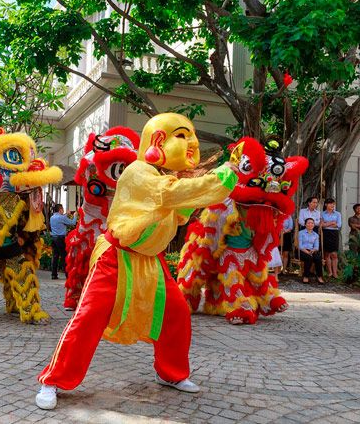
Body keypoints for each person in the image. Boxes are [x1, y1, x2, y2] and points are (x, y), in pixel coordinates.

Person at [36, 113, 238, 410]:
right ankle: (53, 379)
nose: (191, 144)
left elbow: (181, 207)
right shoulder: (139, 172)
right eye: (182, 136)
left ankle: (172, 373)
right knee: (88, 318)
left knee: (177, 313)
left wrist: (209, 180)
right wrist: (225, 173)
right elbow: (171, 195)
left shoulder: (163, 177)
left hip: (151, 261)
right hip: (115, 257)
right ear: (158, 141)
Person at [49, 204, 77, 280]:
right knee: (64, 256)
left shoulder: (52, 217)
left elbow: (62, 219)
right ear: (60, 209)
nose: (63, 210)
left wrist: (66, 214)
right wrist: (75, 215)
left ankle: (53, 274)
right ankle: (67, 274)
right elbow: (73, 223)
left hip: (54, 238)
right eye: (63, 209)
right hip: (60, 239)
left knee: (55, 256)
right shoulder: (61, 217)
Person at [320, 198, 341, 279]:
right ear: (326, 205)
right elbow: (322, 225)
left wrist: (326, 223)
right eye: (330, 203)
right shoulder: (322, 214)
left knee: (334, 254)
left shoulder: (338, 214)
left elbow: (338, 225)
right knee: (327, 254)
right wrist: (332, 222)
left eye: (333, 204)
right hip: (325, 233)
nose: (332, 205)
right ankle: (329, 272)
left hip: (334, 234)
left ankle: (335, 273)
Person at [298, 218, 323, 284]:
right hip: (302, 251)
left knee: (318, 258)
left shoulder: (316, 235)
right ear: (305, 224)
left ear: (314, 225)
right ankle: (306, 276)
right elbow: (300, 246)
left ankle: (319, 276)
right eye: (308, 223)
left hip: (312, 250)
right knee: (308, 258)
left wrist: (312, 250)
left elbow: (316, 247)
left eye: (312, 223)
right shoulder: (301, 233)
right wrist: (307, 252)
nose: (310, 224)